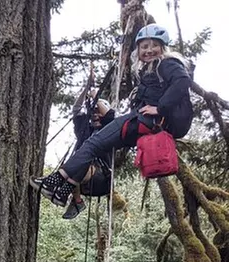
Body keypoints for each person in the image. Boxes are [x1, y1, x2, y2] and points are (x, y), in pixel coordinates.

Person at [31, 24, 193, 209]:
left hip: (144, 120)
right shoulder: (150, 69)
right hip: (144, 124)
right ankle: (62, 192)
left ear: (163, 47)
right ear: (138, 50)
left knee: (92, 145)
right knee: (96, 148)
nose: (149, 50)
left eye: (154, 45)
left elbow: (182, 81)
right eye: (144, 47)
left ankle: (53, 182)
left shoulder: (166, 63)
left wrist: (160, 109)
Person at [61, 77, 116, 219]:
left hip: (102, 178)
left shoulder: (110, 129)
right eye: (93, 112)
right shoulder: (84, 129)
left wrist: (95, 97)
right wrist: (86, 89)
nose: (96, 115)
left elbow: (110, 116)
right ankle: (77, 200)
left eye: (99, 112)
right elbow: (76, 110)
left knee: (78, 166)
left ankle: (75, 199)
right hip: (84, 180)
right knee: (70, 167)